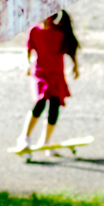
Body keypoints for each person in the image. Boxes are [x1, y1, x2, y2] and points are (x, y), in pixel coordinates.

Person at [14, 11, 80, 155]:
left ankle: (46, 140)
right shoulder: (34, 31)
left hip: (56, 74)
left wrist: (75, 66)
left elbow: (71, 49)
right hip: (40, 73)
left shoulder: (60, 33)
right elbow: (29, 50)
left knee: (54, 106)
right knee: (41, 101)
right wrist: (27, 64)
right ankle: (25, 137)